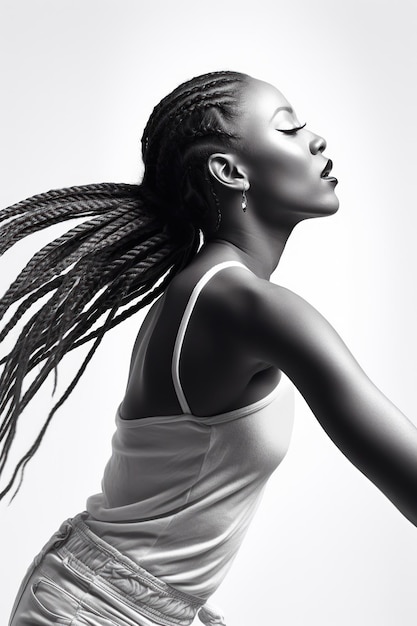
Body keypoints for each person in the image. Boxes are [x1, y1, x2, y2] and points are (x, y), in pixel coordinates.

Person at [2, 70, 417, 626]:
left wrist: (171, 603)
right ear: (230, 171)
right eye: (289, 129)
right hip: (96, 609)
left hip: (103, 595)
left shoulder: (205, 291)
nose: (316, 140)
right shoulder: (242, 304)